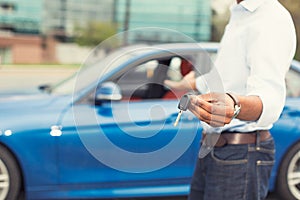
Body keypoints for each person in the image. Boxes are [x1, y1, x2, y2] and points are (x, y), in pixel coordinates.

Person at [164, 0, 297, 199]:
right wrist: (188, 83)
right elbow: (227, 78)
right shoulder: (239, 14)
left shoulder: (271, 18)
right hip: (213, 147)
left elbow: (270, 98)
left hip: (241, 153)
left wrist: (234, 105)